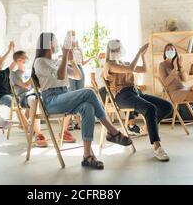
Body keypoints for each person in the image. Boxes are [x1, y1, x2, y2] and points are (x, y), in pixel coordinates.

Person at [32, 32, 133, 170]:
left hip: (64, 96)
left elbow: (78, 76)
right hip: (52, 101)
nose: (58, 44)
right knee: (89, 92)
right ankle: (112, 131)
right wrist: (65, 55)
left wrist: (72, 60)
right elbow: (60, 74)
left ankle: (87, 156)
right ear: (48, 44)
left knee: (87, 107)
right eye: (55, 41)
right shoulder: (39, 62)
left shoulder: (56, 61)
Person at [104, 39, 173, 161]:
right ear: (110, 51)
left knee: (167, 106)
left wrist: (142, 55)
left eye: (118, 49)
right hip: (123, 96)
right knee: (150, 108)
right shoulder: (110, 65)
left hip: (135, 92)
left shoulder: (123, 62)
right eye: (114, 49)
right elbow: (131, 69)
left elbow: (144, 70)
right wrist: (138, 52)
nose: (117, 51)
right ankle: (157, 146)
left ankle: (146, 128)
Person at [10, 50, 48, 148]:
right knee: (33, 99)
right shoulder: (14, 74)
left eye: (27, 58)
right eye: (25, 58)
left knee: (39, 97)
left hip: (35, 94)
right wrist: (32, 78)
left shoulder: (29, 72)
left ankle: (34, 129)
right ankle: (38, 133)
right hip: (23, 97)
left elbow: (38, 86)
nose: (27, 60)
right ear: (19, 60)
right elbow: (25, 86)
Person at [66, 30, 94, 130]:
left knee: (80, 94)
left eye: (74, 35)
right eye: (71, 35)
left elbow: (82, 62)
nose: (73, 37)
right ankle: (69, 121)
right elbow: (66, 58)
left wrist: (91, 58)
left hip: (79, 68)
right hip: (70, 67)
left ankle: (78, 122)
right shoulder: (67, 47)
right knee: (72, 93)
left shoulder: (79, 49)